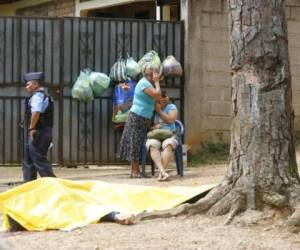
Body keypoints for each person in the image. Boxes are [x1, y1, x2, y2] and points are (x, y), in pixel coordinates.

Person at [118, 64, 161, 178]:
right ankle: (135, 171)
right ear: (150, 74)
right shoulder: (144, 83)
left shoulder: (145, 83)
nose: (157, 75)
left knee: (136, 142)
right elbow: (157, 95)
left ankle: (134, 170)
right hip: (138, 116)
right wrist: (157, 82)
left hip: (141, 117)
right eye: (155, 73)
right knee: (135, 142)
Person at [23, 72, 56, 182]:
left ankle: (52, 184)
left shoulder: (37, 96)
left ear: (35, 84)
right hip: (39, 132)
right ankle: (29, 186)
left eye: (28, 84)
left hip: (39, 132)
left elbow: (36, 112)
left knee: (38, 159)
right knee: (29, 160)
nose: (26, 87)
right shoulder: (39, 96)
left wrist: (32, 128)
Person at [146, 91, 178, 181]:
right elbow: (147, 125)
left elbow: (170, 120)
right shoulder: (151, 109)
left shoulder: (172, 107)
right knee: (152, 145)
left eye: (165, 96)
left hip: (169, 134)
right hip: (155, 135)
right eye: (161, 97)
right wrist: (154, 127)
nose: (164, 98)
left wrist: (159, 111)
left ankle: (161, 172)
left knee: (169, 145)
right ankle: (163, 172)